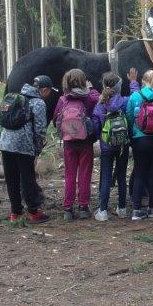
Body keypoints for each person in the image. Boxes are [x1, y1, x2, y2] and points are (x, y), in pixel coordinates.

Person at [0, 74, 52, 224]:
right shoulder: (38, 103)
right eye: (49, 91)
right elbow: (40, 129)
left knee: (11, 178)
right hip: (23, 145)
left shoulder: (15, 97)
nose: (49, 94)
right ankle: (33, 212)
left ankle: (15, 212)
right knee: (27, 178)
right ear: (44, 89)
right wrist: (37, 149)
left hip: (5, 143)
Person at [54, 68, 100, 221]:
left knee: (70, 175)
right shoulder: (90, 98)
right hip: (86, 142)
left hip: (69, 143)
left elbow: (55, 120)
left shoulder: (63, 99)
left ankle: (68, 208)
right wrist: (91, 88)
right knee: (85, 174)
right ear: (83, 81)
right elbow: (99, 100)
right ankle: (83, 207)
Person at [92, 70, 136, 221]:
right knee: (122, 177)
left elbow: (96, 123)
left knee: (105, 177)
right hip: (123, 145)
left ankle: (103, 211)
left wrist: (100, 137)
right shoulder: (124, 101)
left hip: (106, 146)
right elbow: (135, 100)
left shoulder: (101, 104)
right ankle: (122, 208)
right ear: (119, 87)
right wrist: (133, 82)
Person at [125, 70, 153, 220]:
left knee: (139, 173)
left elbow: (129, 116)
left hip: (140, 139)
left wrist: (133, 134)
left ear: (143, 81)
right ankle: (152, 209)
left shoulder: (135, 96)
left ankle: (137, 210)